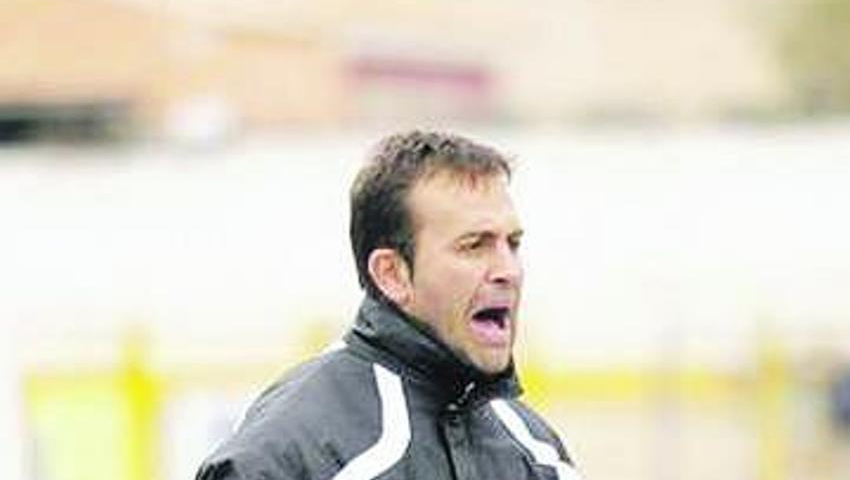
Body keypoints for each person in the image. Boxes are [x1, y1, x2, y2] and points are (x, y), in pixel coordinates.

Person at [196, 131, 583, 480]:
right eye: (474, 245)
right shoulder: (287, 456)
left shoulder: (537, 454)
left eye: (512, 244)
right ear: (392, 274)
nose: (508, 271)